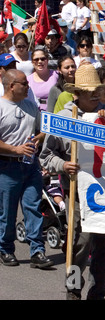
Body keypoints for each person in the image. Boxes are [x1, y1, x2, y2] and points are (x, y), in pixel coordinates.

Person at [39, 63, 105, 300]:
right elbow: (46, 155)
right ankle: (73, 290)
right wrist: (63, 165)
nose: (95, 95)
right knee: (78, 245)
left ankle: (98, 293)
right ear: (77, 94)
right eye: (89, 91)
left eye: (97, 90)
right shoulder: (62, 119)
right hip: (76, 194)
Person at [0, 69, 54, 269]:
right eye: (24, 84)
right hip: (6, 166)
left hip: (30, 166)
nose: (28, 87)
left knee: (33, 207)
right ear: (11, 86)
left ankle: (37, 251)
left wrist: (37, 139)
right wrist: (15, 148)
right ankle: (5, 249)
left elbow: (43, 129)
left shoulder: (31, 106)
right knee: (7, 211)